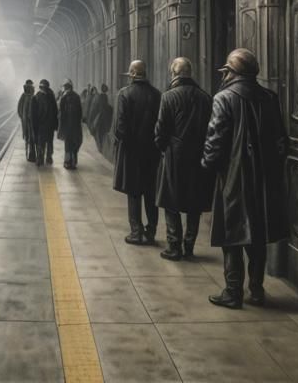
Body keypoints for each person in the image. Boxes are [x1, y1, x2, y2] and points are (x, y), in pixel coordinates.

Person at [202, 48, 288, 308]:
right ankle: (257, 290)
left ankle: (232, 292)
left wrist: (208, 164)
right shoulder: (269, 97)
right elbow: (282, 140)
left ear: (232, 72)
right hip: (264, 180)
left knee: (232, 235)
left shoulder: (223, 98)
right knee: (257, 235)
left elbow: (215, 139)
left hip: (233, 177)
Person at [154, 57, 214, 261]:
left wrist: (163, 148)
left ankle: (174, 246)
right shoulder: (206, 98)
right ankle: (189, 246)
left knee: (171, 202)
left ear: (174, 74)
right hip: (199, 156)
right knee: (194, 204)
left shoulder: (169, 97)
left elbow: (160, 131)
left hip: (174, 156)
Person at [113, 60, 162, 244]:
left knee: (133, 193)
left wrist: (123, 144)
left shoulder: (125, 94)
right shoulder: (157, 94)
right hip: (152, 153)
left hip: (132, 153)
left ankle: (136, 232)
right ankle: (151, 232)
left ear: (132, 74)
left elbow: (120, 128)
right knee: (150, 193)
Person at [30, 79, 59, 165]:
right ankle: (42, 158)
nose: (44, 89)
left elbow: (55, 112)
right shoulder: (37, 98)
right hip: (42, 125)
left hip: (47, 125)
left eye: (45, 87)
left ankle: (47, 157)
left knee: (47, 142)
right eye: (43, 87)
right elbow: (33, 114)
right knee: (42, 142)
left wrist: (55, 124)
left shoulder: (48, 97)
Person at [58, 80, 84, 169]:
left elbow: (61, 113)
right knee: (75, 142)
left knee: (68, 144)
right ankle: (73, 162)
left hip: (67, 126)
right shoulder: (77, 96)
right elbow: (80, 112)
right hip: (75, 125)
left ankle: (67, 162)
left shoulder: (63, 97)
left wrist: (61, 126)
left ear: (66, 88)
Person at [90, 84, 113, 153]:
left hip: (100, 118)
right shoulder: (105, 99)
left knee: (100, 133)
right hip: (104, 118)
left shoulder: (100, 97)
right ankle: (102, 147)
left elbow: (97, 108)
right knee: (103, 133)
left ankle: (100, 147)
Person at [18, 80, 35, 161]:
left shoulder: (23, 96)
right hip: (30, 121)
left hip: (26, 121)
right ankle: (30, 155)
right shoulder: (32, 96)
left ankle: (28, 154)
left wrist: (22, 117)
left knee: (28, 138)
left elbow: (19, 109)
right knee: (31, 138)